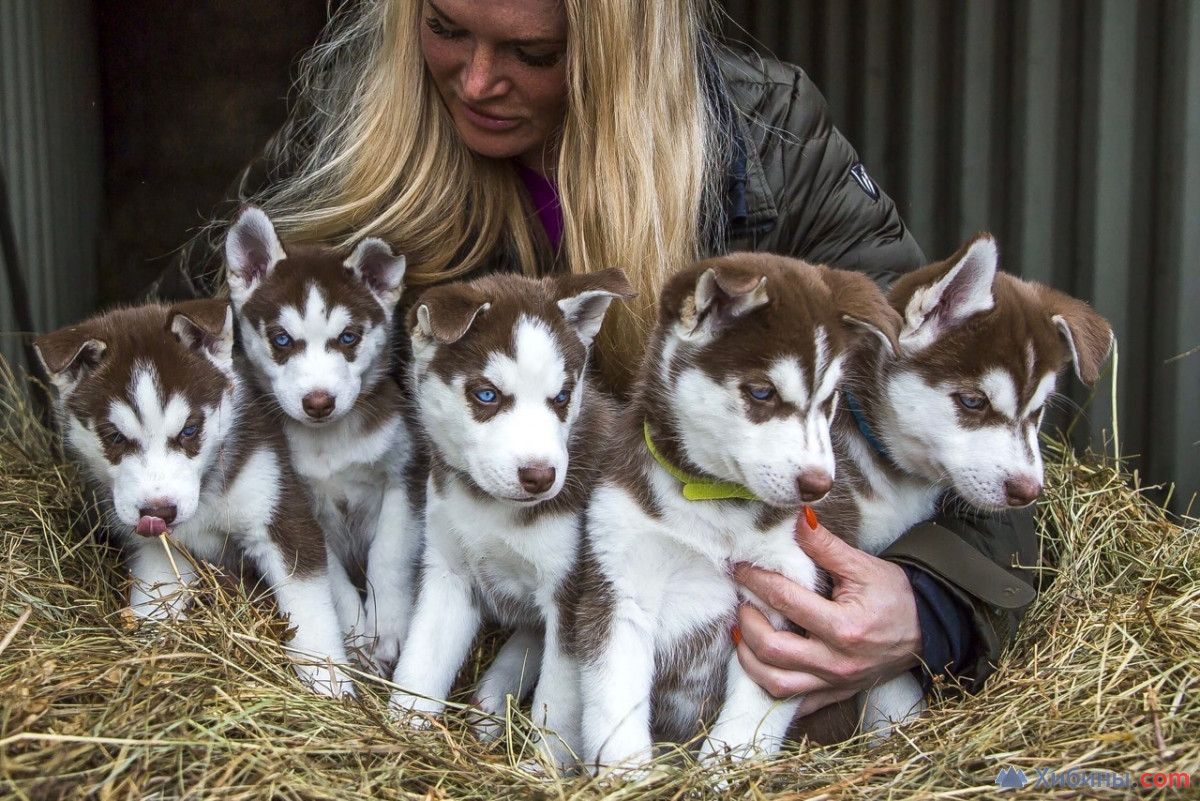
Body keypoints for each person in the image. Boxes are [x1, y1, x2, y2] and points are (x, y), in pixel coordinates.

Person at [160, 0, 1038, 730]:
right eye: (445, 27)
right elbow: (189, 352)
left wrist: (928, 605)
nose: (474, 81)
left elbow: (958, 405)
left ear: (619, 41)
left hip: (693, 593)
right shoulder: (366, 127)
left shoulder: (765, 139)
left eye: (532, 52)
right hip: (444, 595)